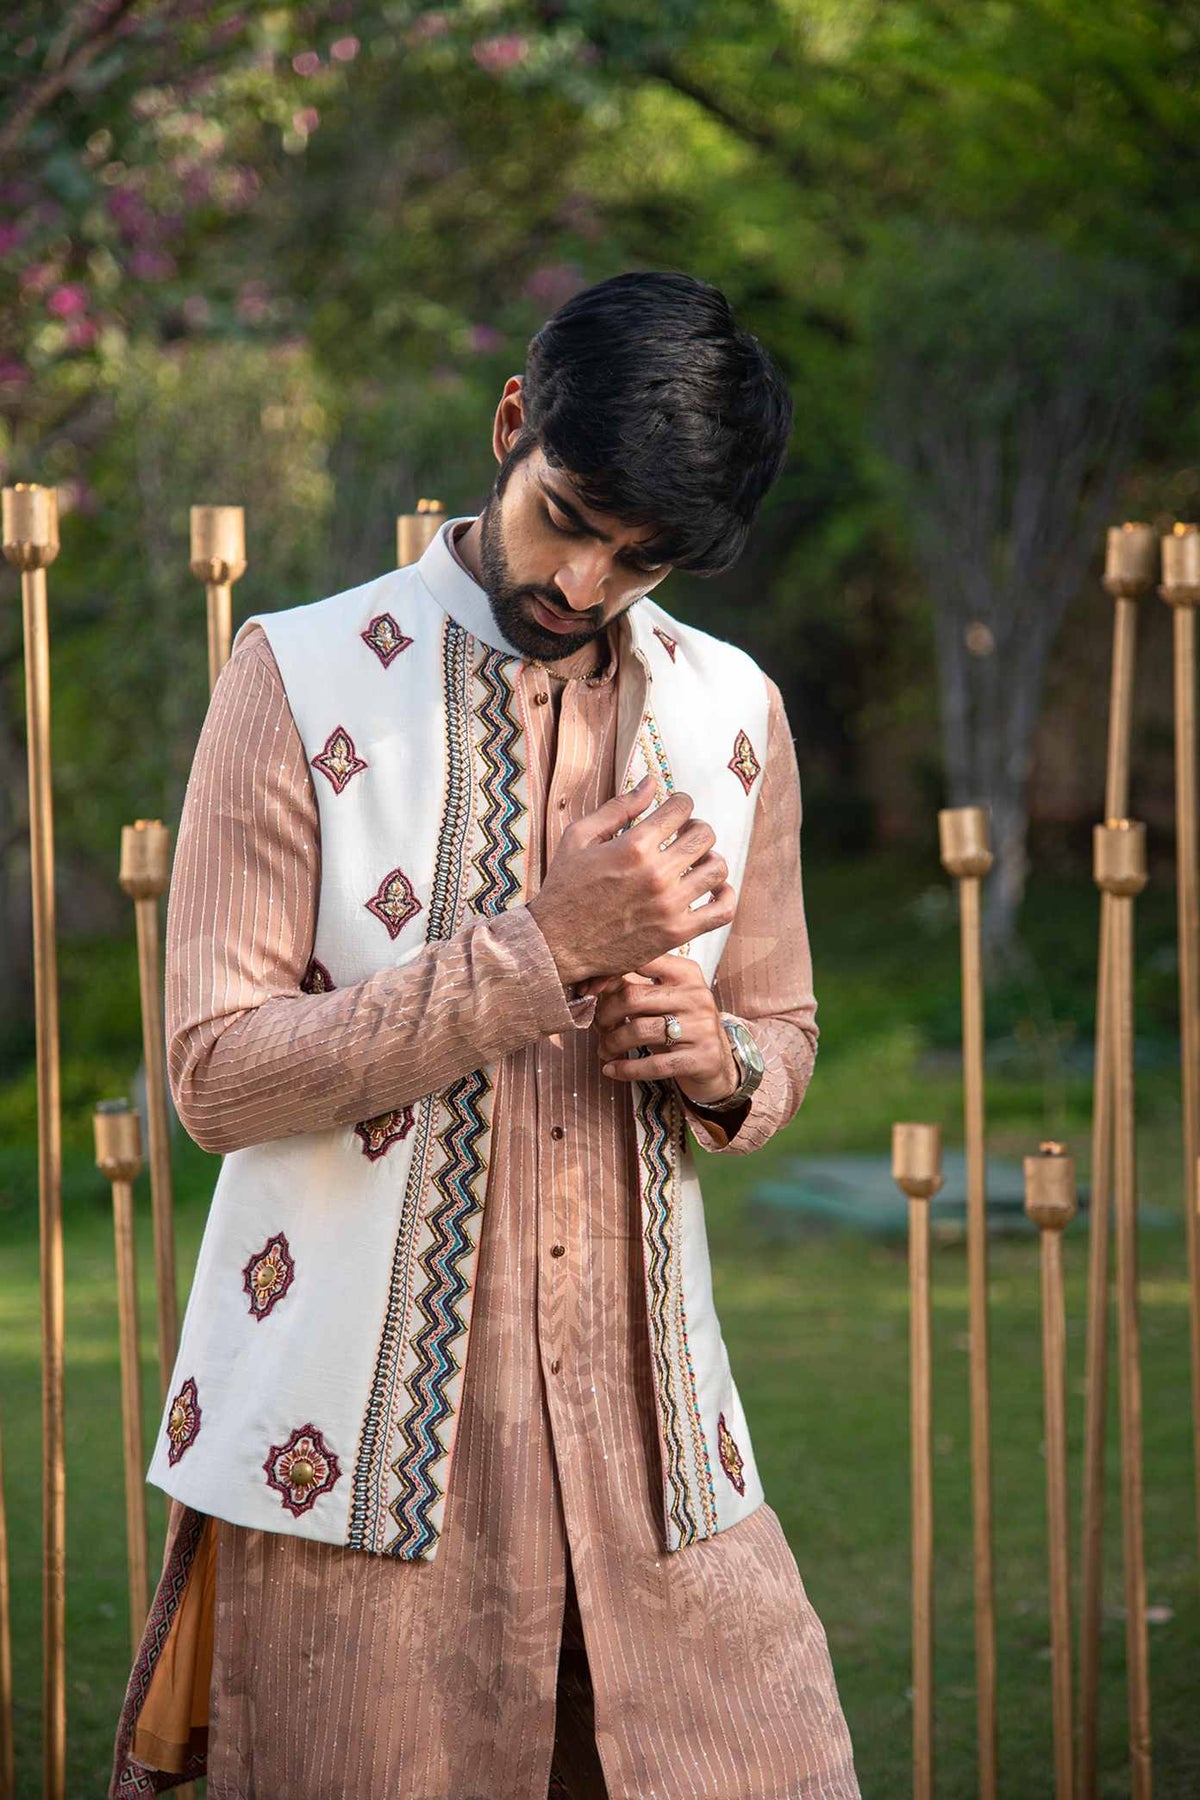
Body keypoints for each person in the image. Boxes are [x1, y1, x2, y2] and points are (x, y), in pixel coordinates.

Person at [109, 269, 860, 1799]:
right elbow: (214, 1073)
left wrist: (720, 1063)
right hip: (366, 1475)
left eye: (639, 561)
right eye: (570, 518)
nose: (585, 584)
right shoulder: (297, 679)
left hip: (663, 1464)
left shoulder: (733, 713)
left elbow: (783, 1023)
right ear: (513, 422)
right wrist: (545, 951)